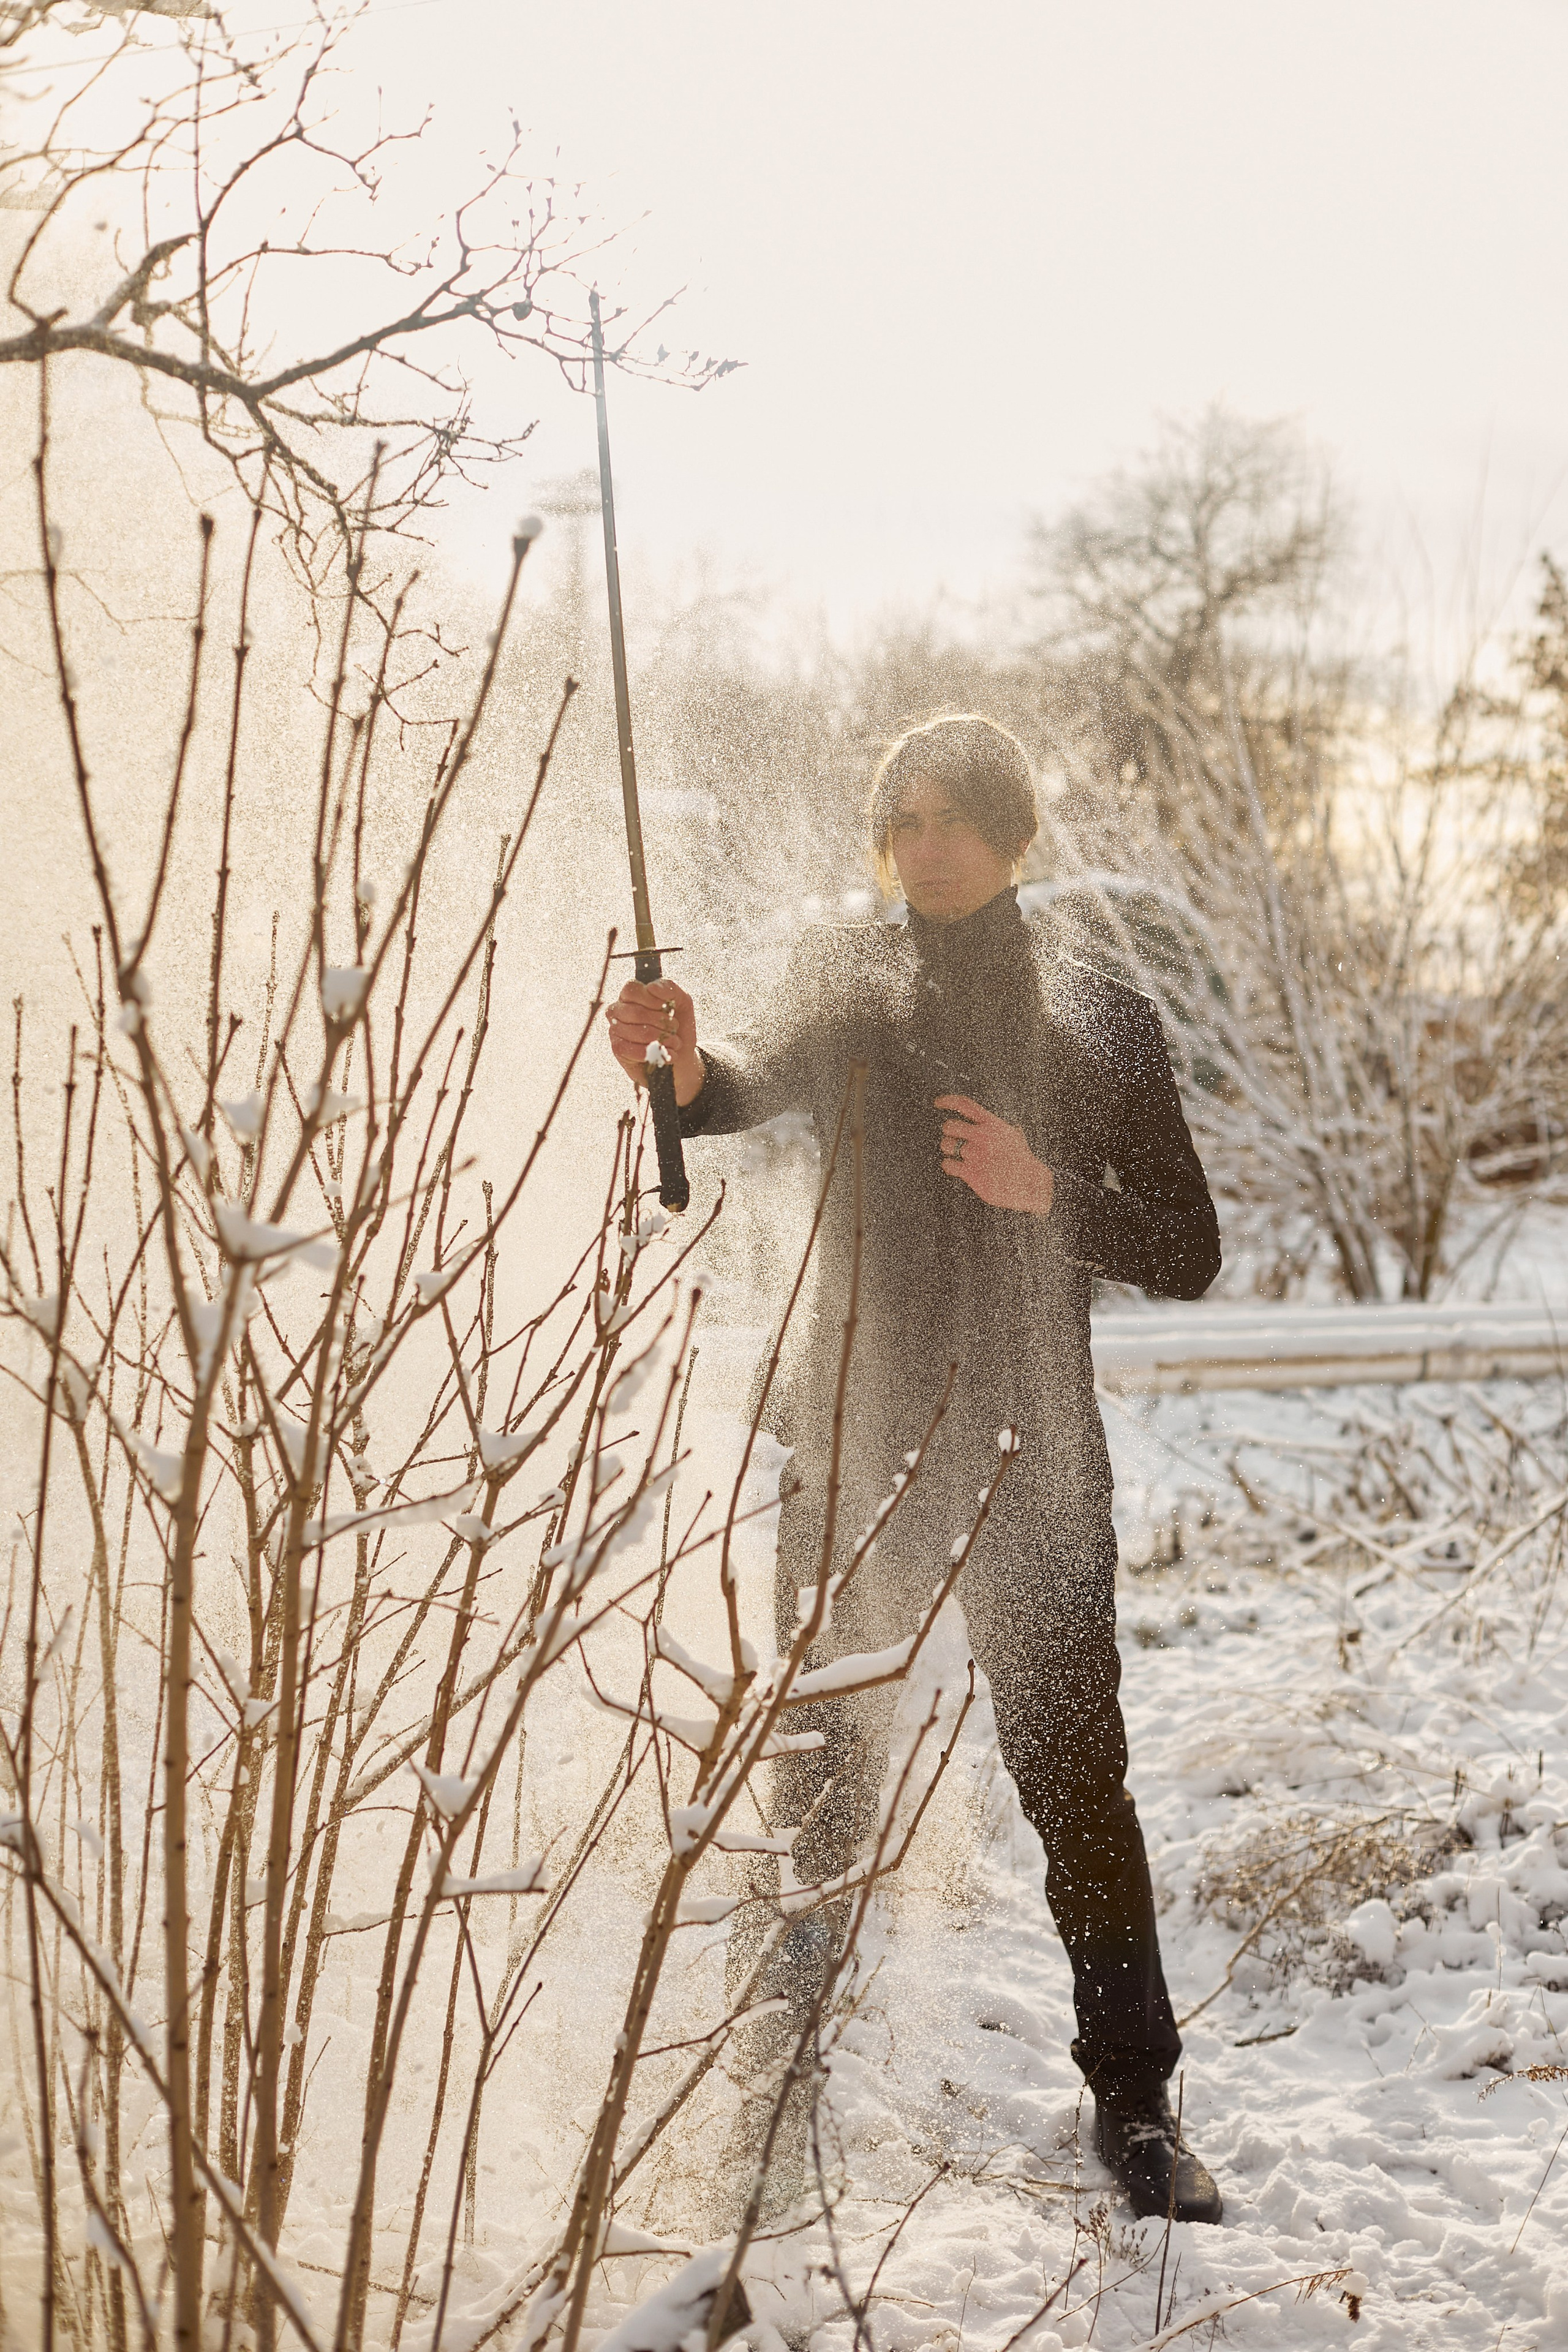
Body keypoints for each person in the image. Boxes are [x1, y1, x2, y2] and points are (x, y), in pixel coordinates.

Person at [605, 715, 1225, 2225]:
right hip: (850, 1445)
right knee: (815, 1770)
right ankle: (777, 2081)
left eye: (957, 818)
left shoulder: (1094, 1007)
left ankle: (1135, 2106)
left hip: (1031, 1456)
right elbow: (737, 1087)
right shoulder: (851, 984)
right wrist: (681, 1066)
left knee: (1078, 1788)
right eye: (905, 818)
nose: (926, 843)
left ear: (1012, 835)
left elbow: (1189, 1249)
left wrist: (1044, 1188)